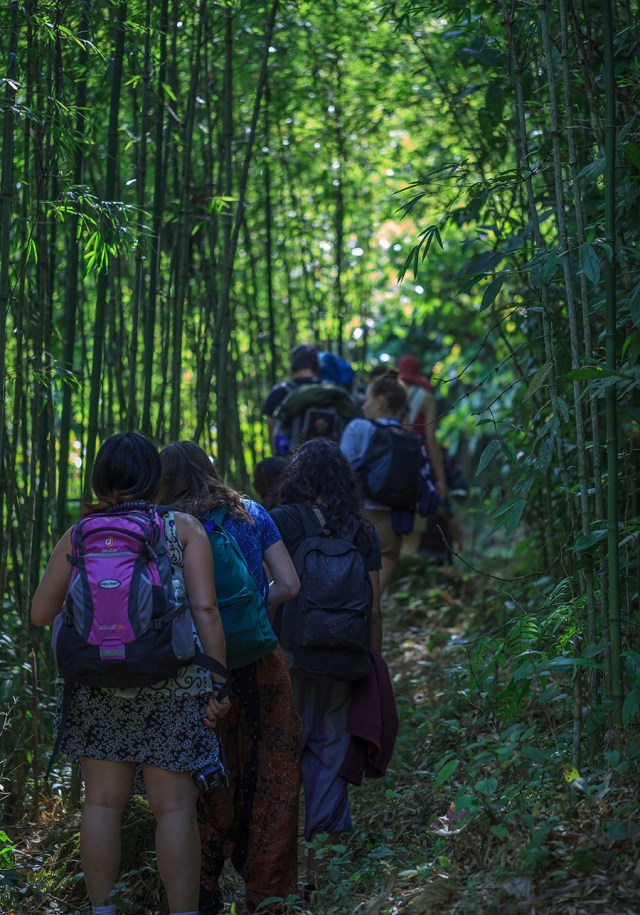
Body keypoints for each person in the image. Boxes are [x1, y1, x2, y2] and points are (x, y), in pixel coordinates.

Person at [31, 432, 230, 915]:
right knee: (175, 809)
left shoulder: (78, 535)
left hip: (96, 686)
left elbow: (40, 612)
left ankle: (104, 910)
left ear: (100, 478)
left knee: (102, 805)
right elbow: (205, 609)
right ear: (154, 478)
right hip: (173, 682)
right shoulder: (180, 528)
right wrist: (219, 682)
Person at [157, 441, 301, 915]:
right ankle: (269, 896)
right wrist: (254, 611)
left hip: (192, 673)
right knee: (272, 777)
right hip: (260, 661)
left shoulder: (164, 527)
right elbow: (290, 583)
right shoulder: (251, 513)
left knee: (198, 781)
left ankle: (201, 893)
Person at [269, 439, 383, 883]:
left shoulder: (282, 521)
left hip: (290, 655)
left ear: (297, 476)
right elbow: (374, 607)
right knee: (330, 750)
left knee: (282, 752)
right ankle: (322, 873)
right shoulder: (361, 529)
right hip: (344, 657)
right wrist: (373, 658)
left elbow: (271, 593)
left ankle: (278, 874)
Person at [339, 368, 415, 594]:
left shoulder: (358, 427)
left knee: (354, 599)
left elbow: (341, 474)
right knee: (375, 603)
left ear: (380, 401)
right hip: (396, 523)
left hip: (362, 519)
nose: (363, 406)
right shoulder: (407, 436)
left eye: (367, 399)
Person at [262, 344, 321, 454]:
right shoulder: (330, 391)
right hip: (328, 461)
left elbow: (272, 431)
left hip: (292, 462)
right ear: (316, 365)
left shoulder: (279, 393)